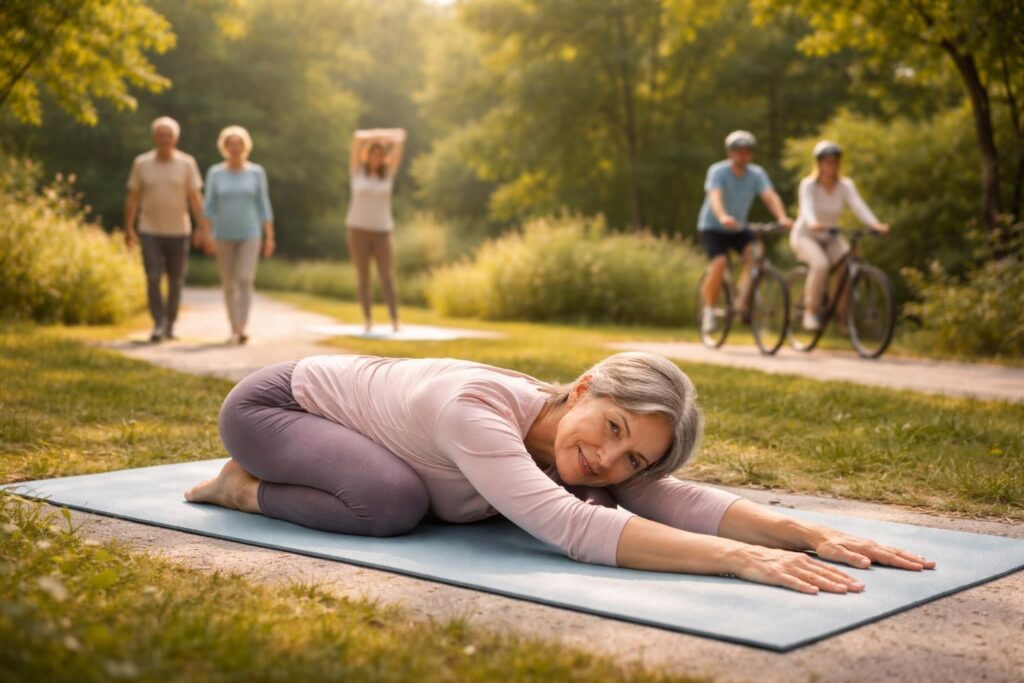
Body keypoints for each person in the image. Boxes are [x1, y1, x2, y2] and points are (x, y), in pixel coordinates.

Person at [185, 351, 934, 594]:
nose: (608, 459)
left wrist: (800, 532)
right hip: (276, 408)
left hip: (361, 428)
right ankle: (241, 486)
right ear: (581, 388)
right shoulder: (476, 410)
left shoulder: (584, 450)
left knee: (594, 494)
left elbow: (667, 498)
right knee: (389, 503)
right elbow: (572, 528)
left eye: (631, 455)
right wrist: (739, 559)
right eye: (613, 428)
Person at [696, 131, 793, 335]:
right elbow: (715, 197)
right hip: (713, 226)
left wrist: (782, 217)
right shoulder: (718, 171)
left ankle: (741, 298)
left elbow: (770, 196)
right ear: (730, 153)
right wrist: (722, 216)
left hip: (738, 227)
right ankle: (709, 311)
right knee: (719, 263)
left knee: (757, 254)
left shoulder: (756, 174)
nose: (743, 156)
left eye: (747, 152)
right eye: (738, 152)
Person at [792, 140, 890, 331]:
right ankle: (810, 312)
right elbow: (807, 207)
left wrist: (875, 224)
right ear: (819, 163)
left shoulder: (845, 185)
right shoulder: (809, 185)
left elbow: (859, 206)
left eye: (835, 161)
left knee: (849, 263)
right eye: (827, 161)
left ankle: (841, 314)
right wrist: (813, 222)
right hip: (806, 235)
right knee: (820, 264)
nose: (832, 165)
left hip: (830, 235)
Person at [124, 116, 205, 342]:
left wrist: (202, 228)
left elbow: (195, 199)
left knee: (176, 279)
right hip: (149, 229)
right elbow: (133, 198)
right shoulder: (142, 163)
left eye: (168, 135)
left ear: (175, 138)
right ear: (154, 137)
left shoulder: (187, 163)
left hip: (179, 230)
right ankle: (158, 324)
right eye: (161, 135)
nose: (164, 139)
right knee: (153, 276)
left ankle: (171, 324)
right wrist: (129, 228)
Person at [197, 125, 275, 345]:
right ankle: (233, 326)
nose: (234, 148)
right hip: (222, 234)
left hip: (250, 233)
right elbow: (209, 206)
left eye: (238, 144)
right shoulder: (216, 173)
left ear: (245, 147)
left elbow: (263, 205)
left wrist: (269, 237)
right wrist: (206, 234)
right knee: (229, 283)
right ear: (224, 147)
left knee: (244, 278)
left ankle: (242, 326)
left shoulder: (256, 172)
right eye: (230, 144)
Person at [345, 128, 406, 334]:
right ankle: (368, 320)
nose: (376, 158)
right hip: (358, 230)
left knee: (386, 276)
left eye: (380, 154)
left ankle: (395, 320)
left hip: (382, 231)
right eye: (373, 154)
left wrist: (387, 139)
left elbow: (400, 139)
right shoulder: (357, 172)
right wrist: (377, 138)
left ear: (383, 157)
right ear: (368, 155)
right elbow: (357, 137)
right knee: (363, 276)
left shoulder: (387, 174)